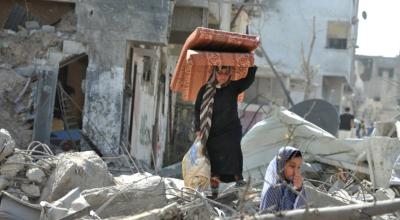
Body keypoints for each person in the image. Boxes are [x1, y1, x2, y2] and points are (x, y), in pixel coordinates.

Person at [194, 65, 257, 199]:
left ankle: (239, 181)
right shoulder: (205, 90)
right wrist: (198, 129)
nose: (222, 76)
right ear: (215, 73)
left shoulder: (234, 87)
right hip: (212, 134)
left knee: (234, 154)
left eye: (225, 73)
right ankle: (214, 194)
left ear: (230, 74)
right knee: (214, 166)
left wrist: (251, 64)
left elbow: (248, 80)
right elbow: (197, 110)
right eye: (220, 73)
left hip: (231, 131)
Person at [260, 146, 306, 212]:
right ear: (281, 164)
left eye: (298, 167)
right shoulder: (273, 189)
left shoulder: (294, 186)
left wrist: (299, 190)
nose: (296, 172)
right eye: (292, 166)